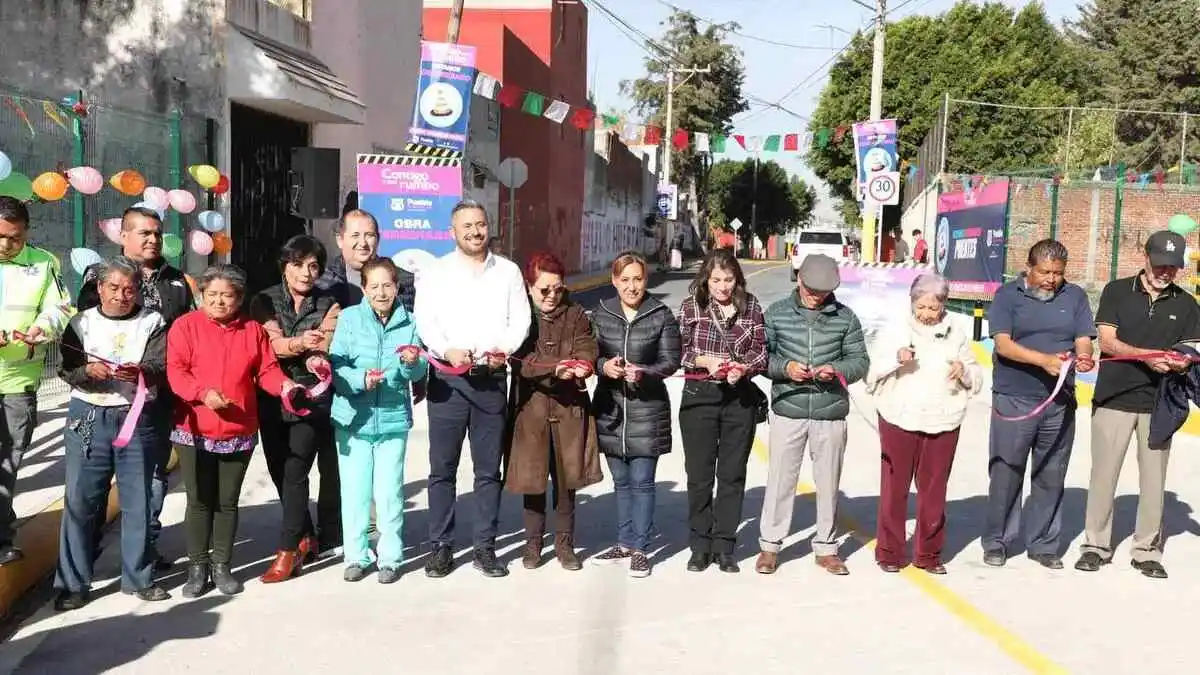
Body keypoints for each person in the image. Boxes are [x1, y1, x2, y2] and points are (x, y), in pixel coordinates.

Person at [414, 199, 531, 578]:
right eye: (467, 226)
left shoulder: (509, 272)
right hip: (447, 381)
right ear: (453, 232)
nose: (475, 231)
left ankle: (485, 548)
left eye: (480, 224)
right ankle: (441, 548)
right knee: (442, 471)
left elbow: (521, 321)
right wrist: (444, 349)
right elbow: (425, 321)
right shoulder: (436, 272)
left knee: (487, 472)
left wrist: (505, 350)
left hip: (490, 381)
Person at [167, 265, 299, 597]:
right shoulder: (185, 327)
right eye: (212, 295)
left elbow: (267, 369)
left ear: (239, 298)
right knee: (199, 500)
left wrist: (284, 386)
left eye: (227, 295)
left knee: (227, 502)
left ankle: (222, 565)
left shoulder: (253, 331)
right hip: (194, 427)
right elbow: (176, 372)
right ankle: (197, 567)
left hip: (237, 429)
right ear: (201, 297)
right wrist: (203, 394)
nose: (219, 302)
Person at [1077, 231, 1200, 579]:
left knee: (1153, 480)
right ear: (1145, 257)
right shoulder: (1117, 291)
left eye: (1173, 267)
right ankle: (1095, 546)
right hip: (1114, 397)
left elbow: (1191, 350)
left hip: (1161, 403)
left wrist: (1181, 362)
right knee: (1103, 476)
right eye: (1161, 264)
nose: (1166, 272)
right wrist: (1148, 357)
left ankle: (1147, 550)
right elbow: (1108, 341)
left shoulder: (1187, 304)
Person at [78, 205, 194, 572]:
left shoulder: (177, 281)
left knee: (152, 479)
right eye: (143, 232)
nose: (152, 239)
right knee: (93, 486)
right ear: (123, 235)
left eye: (157, 233)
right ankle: (84, 557)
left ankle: (144, 548)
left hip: (155, 399)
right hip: (103, 399)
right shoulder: (99, 276)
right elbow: (83, 332)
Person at [53, 257, 170, 610]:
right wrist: (88, 371)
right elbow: (67, 368)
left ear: (139, 290)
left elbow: (160, 364)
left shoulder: (153, 321)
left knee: (139, 500)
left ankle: (139, 577)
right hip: (88, 415)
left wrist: (141, 371)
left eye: (129, 288)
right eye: (114, 288)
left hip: (136, 417)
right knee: (81, 500)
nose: (122, 295)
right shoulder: (81, 323)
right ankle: (73, 582)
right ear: (100, 288)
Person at [983, 239, 1096, 569]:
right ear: (1029, 268)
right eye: (1045, 272)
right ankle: (997, 541)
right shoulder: (1007, 296)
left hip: (1059, 402)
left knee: (1051, 473)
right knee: (1006, 472)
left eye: (1058, 273)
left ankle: (1044, 544)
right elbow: (1003, 345)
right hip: (1014, 398)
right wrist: (1043, 361)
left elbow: (1082, 337)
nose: (1051, 279)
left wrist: (1085, 357)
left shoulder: (1074, 296)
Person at [756, 254, 868, 576]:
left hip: (829, 413)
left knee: (828, 482)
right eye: (810, 289)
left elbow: (860, 361)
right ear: (799, 279)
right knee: (780, 480)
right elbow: (762, 358)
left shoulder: (846, 318)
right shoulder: (776, 314)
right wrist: (786, 368)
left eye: (822, 291)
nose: (814, 296)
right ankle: (770, 546)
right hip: (788, 409)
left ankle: (827, 548)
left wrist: (836, 370)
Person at [864, 274, 982, 574]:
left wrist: (963, 370)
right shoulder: (896, 326)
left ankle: (928, 554)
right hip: (899, 417)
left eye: (934, 308)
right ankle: (889, 551)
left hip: (944, 417)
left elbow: (975, 373)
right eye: (921, 307)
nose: (927, 314)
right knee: (895, 488)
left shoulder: (956, 329)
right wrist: (896, 358)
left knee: (934, 491)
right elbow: (872, 370)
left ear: (944, 305)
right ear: (912, 302)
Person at [249, 235, 342, 582]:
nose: (306, 272)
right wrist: (301, 343)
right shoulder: (263, 301)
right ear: (284, 265)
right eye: (298, 264)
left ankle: (287, 553)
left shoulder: (330, 303)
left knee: (296, 470)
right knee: (278, 471)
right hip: (272, 394)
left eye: (313, 265)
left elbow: (328, 341)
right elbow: (269, 346)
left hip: (310, 395)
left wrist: (318, 355)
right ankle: (305, 535)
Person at [329, 257, 427, 584]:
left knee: (389, 493)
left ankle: (390, 557)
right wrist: (360, 379)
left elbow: (416, 372)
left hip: (392, 420)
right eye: (375, 286)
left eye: (388, 285)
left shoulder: (411, 322)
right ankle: (356, 555)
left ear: (397, 286)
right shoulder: (349, 319)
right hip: (353, 420)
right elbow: (336, 367)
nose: (382, 292)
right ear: (364, 288)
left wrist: (410, 364)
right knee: (356, 493)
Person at [506, 253, 601, 572]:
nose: (551, 296)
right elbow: (519, 358)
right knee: (533, 482)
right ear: (530, 287)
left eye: (557, 289)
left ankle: (565, 545)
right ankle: (532, 545)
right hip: (530, 410)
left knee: (566, 483)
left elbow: (587, 345)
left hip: (568, 407)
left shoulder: (575, 313)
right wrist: (553, 369)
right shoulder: (520, 315)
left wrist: (583, 365)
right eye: (544, 290)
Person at [591, 251, 682, 578]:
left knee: (642, 482)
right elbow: (590, 356)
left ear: (646, 280)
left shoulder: (660, 313)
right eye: (625, 279)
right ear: (615, 281)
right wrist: (604, 366)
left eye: (638, 279)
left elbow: (671, 361)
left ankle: (641, 548)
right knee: (621, 482)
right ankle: (625, 542)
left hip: (648, 411)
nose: (632, 286)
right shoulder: (601, 313)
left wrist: (645, 372)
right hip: (611, 410)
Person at [677, 249, 767, 573]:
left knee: (731, 475)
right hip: (699, 396)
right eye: (716, 279)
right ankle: (700, 545)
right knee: (699, 477)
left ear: (737, 279)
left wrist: (743, 368)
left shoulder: (752, 306)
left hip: (738, 399)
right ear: (706, 278)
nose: (723, 286)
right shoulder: (691, 307)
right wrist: (704, 361)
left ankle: (725, 546)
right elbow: (680, 350)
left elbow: (761, 352)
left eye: (728, 279)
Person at [0, 197, 71, 565]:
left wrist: (42, 328)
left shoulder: (43, 263)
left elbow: (59, 307)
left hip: (18, 382)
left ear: (26, 232)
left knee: (9, 460)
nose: (4, 245)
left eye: (13, 238)